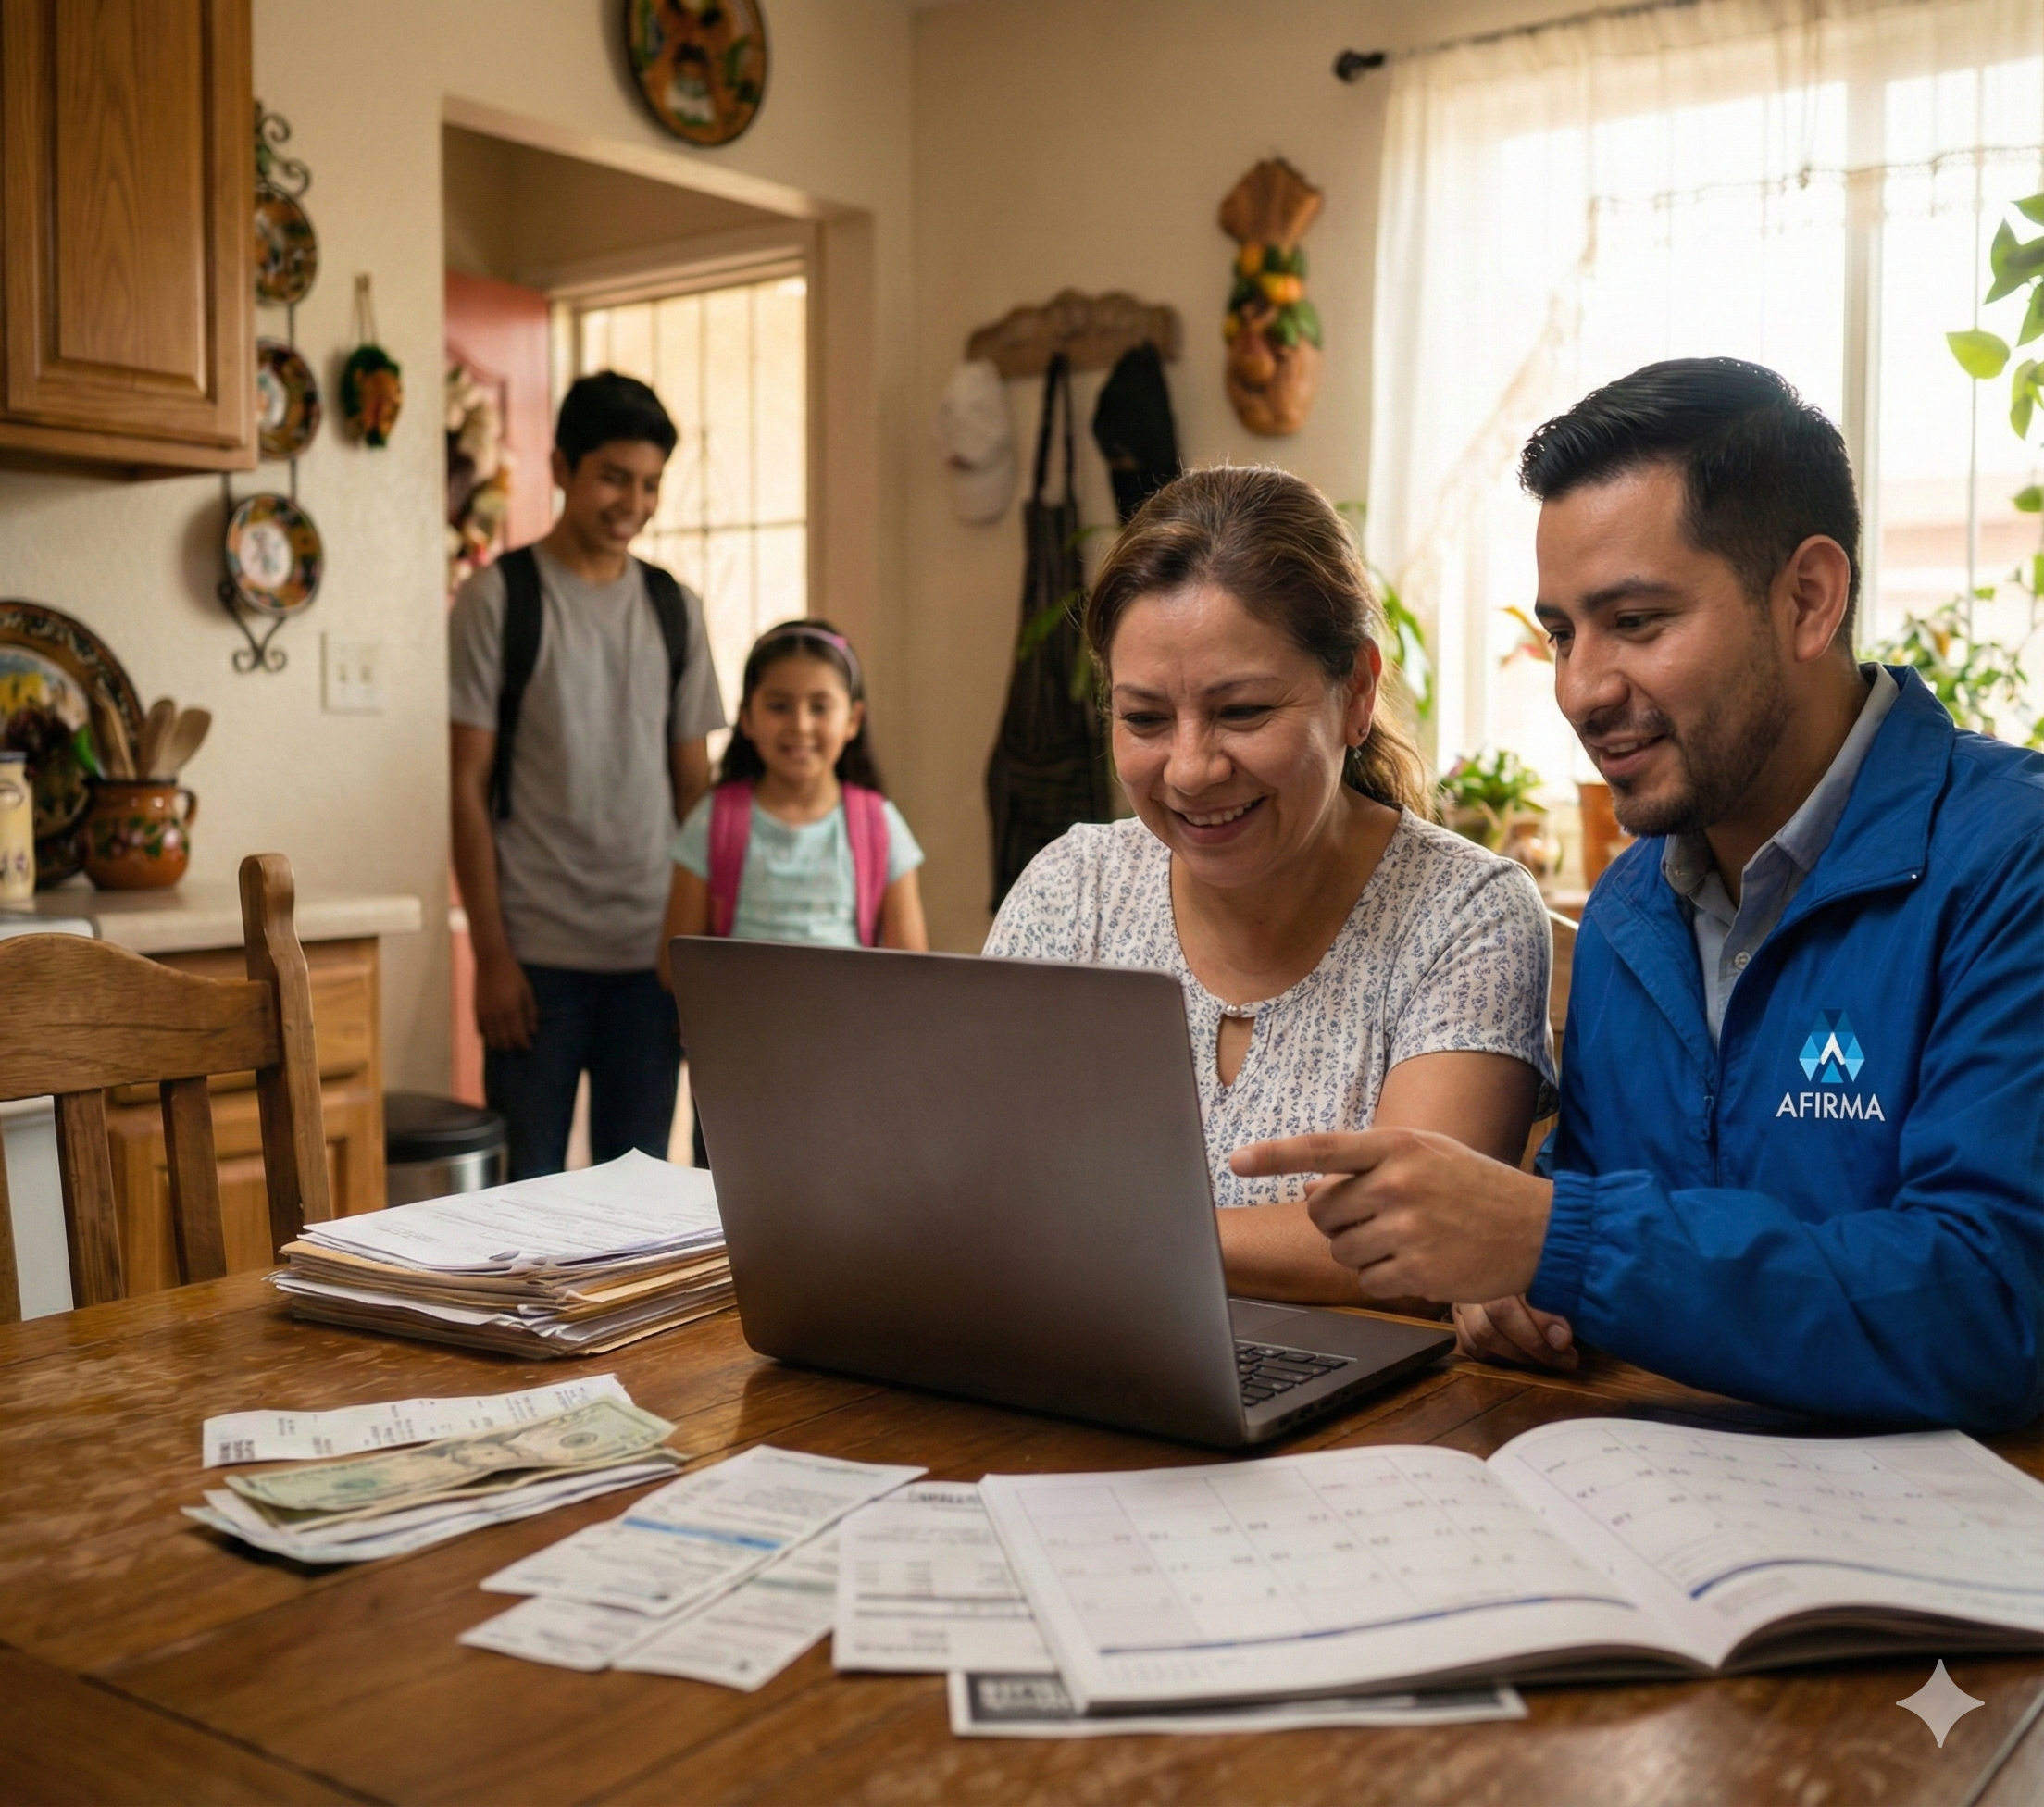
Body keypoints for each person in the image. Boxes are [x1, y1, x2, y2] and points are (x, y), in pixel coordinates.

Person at [1236, 357, 2044, 1432]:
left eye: (1637, 620)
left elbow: (1993, 1301)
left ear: (1809, 598)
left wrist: (1550, 1241)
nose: (1579, 689)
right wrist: (1509, 1286)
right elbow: (1584, 1217)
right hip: (1647, 1492)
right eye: (1564, 632)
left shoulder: (2012, 861)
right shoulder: (1628, 911)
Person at [985, 465, 1555, 1305]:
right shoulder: (1073, 887)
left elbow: (1416, 1242)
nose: (1190, 769)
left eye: (1242, 711)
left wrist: (1096, 1231)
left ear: (1357, 692)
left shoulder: (1466, 913)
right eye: (1144, 718)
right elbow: (978, 1170)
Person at [449, 371, 726, 1179]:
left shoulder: (677, 610)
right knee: (522, 1199)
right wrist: (491, 958)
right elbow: (466, 788)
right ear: (561, 467)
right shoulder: (498, 599)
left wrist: (699, 959)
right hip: (533, 965)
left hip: (652, 966)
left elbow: (695, 795)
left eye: (650, 484)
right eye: (613, 477)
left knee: (637, 1203)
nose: (633, 503)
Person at [659, 618, 928, 962]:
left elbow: (911, 972)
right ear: (747, 717)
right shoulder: (711, 822)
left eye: (820, 707)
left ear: (853, 720)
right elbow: (675, 967)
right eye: (779, 706)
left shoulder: (880, 825)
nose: (800, 725)